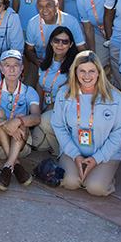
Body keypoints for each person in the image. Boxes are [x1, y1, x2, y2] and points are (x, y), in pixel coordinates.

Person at [51, 50, 121, 196]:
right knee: (70, 183)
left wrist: (96, 159)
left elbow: (119, 132)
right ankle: (82, 169)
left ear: (99, 72)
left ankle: (104, 176)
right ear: (75, 72)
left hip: (104, 154)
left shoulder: (115, 98)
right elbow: (59, 125)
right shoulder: (64, 94)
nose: (87, 76)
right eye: (82, 71)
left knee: (95, 188)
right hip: (74, 151)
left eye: (91, 71)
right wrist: (76, 155)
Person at [0, 49, 41, 190]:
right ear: (1, 69)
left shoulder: (29, 91)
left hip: (20, 145)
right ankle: (16, 164)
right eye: (7, 65)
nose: (12, 69)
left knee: (20, 117)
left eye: (16, 65)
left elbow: (37, 117)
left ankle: (9, 166)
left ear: (22, 68)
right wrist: (7, 125)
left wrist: (17, 123)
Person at [34, 26, 79, 155]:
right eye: (56, 40)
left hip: (63, 110)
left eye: (65, 42)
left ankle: (62, 152)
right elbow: (39, 86)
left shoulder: (74, 65)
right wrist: (37, 110)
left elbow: (66, 95)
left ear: (71, 44)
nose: (60, 45)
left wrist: (42, 113)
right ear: (51, 42)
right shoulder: (46, 60)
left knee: (44, 122)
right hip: (46, 109)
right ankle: (57, 141)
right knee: (36, 144)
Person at [24, 0, 85, 74]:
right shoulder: (33, 23)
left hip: (67, 64)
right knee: (28, 84)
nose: (45, 10)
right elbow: (28, 50)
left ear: (57, 5)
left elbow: (81, 49)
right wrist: (36, 61)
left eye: (48, 5)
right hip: (42, 63)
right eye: (40, 6)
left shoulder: (71, 21)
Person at [75, 0, 114, 66]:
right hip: (99, 35)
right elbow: (88, 29)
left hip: (117, 34)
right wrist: (93, 53)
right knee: (97, 65)